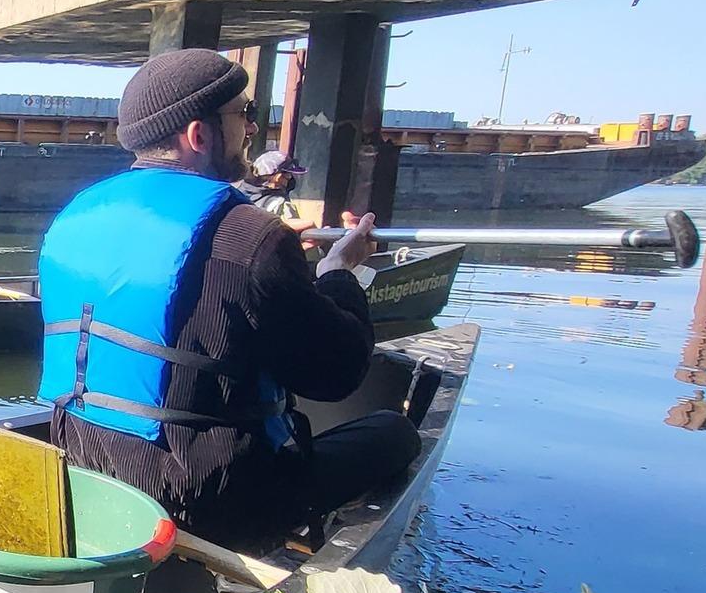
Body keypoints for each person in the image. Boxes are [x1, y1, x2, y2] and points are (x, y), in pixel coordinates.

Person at [36, 48, 419, 553]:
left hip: (87, 468)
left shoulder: (72, 218)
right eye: (244, 115)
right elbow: (338, 374)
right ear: (199, 134)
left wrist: (278, 258)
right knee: (396, 433)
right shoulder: (252, 238)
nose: (251, 130)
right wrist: (336, 272)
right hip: (215, 503)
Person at [233, 150, 310, 227]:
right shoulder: (280, 204)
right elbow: (291, 233)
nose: (289, 181)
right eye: (288, 176)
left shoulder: (233, 194)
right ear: (278, 178)